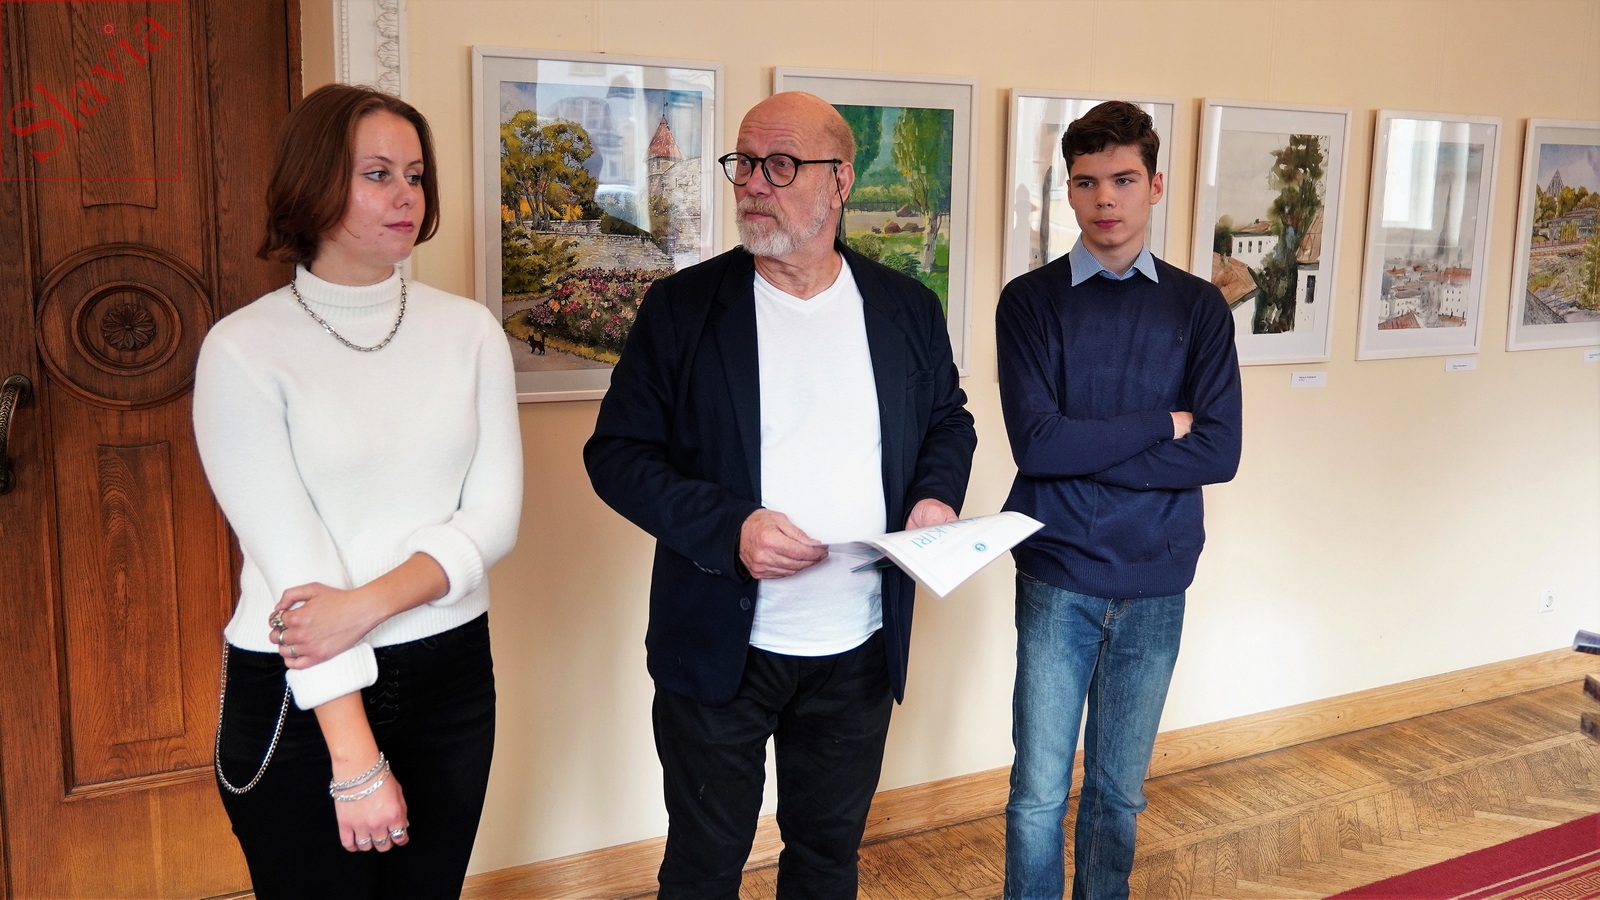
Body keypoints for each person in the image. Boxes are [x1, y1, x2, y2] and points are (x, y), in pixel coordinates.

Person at [584, 91, 976, 899]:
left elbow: (949, 421)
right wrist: (732, 528)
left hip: (859, 645)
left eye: (782, 165)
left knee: (826, 861)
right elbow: (616, 456)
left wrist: (934, 498)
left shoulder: (905, 308)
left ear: (840, 182)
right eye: (745, 163)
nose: (755, 183)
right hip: (719, 647)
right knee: (704, 867)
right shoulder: (682, 310)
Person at [193, 83, 522, 899]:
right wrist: (356, 759)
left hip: (451, 672)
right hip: (303, 694)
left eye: (415, 175)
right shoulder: (243, 349)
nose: (406, 195)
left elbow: (495, 518)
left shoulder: (470, 331)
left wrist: (367, 604)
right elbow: (298, 577)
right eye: (378, 174)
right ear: (313, 184)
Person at [996, 100, 1243, 900]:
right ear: (1068, 191)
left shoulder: (1198, 309)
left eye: (1124, 180)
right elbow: (1038, 447)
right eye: (1087, 182)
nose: (1106, 198)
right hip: (1057, 576)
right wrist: (1160, 425)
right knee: (1038, 795)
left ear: (1155, 185)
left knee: (1118, 795)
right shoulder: (1029, 302)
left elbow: (1219, 452)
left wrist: (1086, 454)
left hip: (1155, 580)